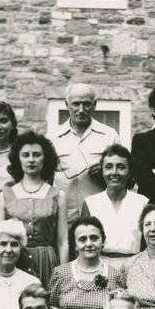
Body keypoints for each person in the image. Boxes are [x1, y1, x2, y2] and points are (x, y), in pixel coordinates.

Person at [0, 131, 69, 284]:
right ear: (18, 159)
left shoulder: (58, 195)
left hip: (46, 262)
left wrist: (64, 277)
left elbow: (63, 242)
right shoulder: (5, 195)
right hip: (14, 260)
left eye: (36, 155)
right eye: (26, 155)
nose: (31, 160)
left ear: (45, 158)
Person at [48, 217, 127, 309]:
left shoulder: (115, 275)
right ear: (75, 244)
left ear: (103, 241)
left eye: (94, 238)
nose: (89, 243)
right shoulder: (60, 273)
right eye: (82, 239)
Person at [53, 82, 121, 225]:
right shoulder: (53, 137)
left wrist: (105, 172)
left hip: (100, 213)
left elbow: (125, 176)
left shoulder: (109, 135)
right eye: (76, 104)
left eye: (87, 104)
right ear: (66, 105)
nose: (81, 109)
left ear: (95, 104)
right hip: (63, 216)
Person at [80, 145, 148, 266]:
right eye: (109, 167)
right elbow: (83, 244)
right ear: (102, 171)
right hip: (98, 268)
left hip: (134, 267)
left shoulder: (142, 203)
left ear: (130, 172)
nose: (114, 172)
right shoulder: (91, 203)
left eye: (121, 167)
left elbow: (147, 246)